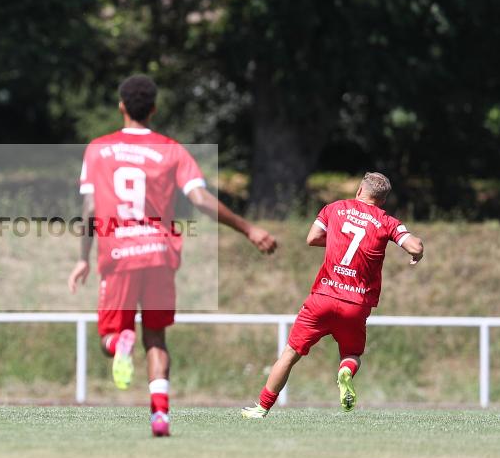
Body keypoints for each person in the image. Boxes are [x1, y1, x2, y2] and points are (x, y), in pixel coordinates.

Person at [68, 74, 277, 437]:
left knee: (110, 338)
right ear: (154, 109)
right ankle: (160, 416)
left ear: (121, 107)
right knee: (156, 338)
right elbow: (198, 199)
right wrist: (248, 228)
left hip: (118, 253)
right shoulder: (171, 149)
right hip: (160, 253)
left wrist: (84, 256)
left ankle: (120, 342)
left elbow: (89, 209)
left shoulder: (97, 149)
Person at [241, 172, 424, 418]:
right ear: (382, 200)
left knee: (290, 354)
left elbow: (312, 238)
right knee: (352, 355)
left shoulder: (334, 208)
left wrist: (337, 240)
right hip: (356, 304)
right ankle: (345, 372)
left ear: (360, 189)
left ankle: (262, 408)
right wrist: (417, 255)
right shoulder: (387, 221)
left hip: (323, 297)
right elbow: (415, 245)